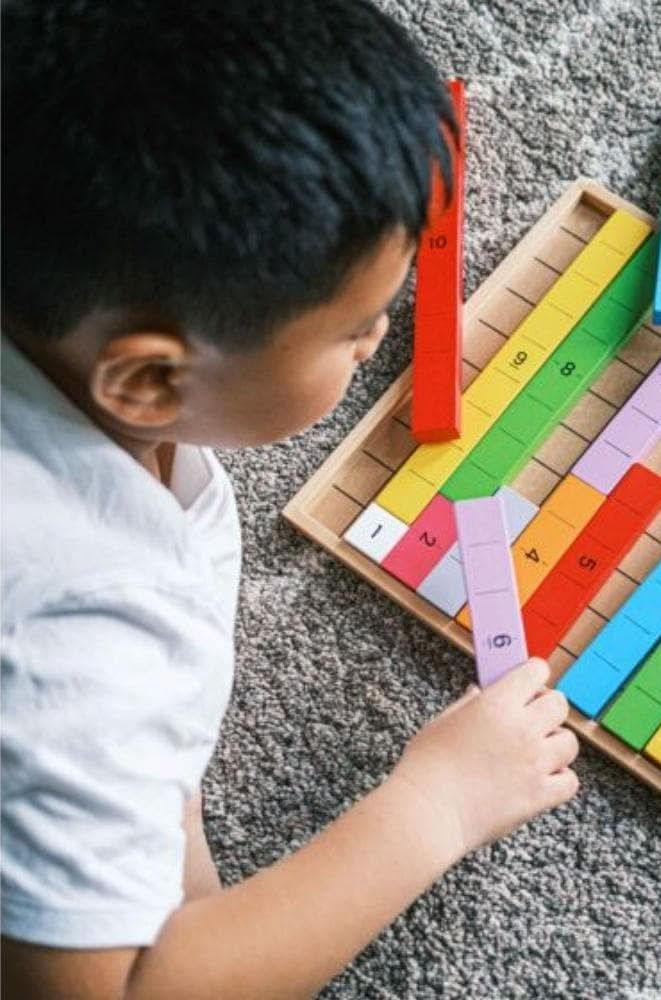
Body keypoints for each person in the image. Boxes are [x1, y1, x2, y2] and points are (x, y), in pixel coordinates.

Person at [0, 1, 580, 995]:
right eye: (355, 330)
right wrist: (435, 805)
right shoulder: (82, 635)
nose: (377, 341)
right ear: (144, 381)